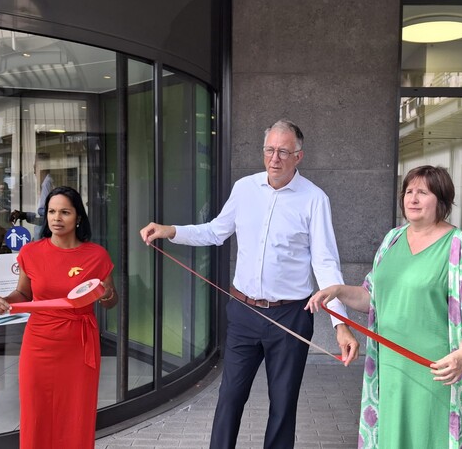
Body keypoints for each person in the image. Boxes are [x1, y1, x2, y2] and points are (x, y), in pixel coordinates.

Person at [140, 119, 360, 449]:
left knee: (283, 405)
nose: (275, 158)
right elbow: (216, 232)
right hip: (243, 312)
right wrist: (171, 230)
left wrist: (341, 326)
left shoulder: (315, 199)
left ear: (298, 156)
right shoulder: (244, 189)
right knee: (229, 397)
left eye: (283, 152)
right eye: (269, 150)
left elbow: (327, 266)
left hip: (290, 317)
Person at [306, 165, 462, 449]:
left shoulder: (459, 246)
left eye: (423, 192)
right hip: (389, 366)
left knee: (428, 439)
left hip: (436, 370)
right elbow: (373, 298)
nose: (413, 198)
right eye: (409, 191)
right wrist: (337, 291)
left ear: (442, 201)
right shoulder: (392, 240)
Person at [0, 186, 118, 449]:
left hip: (79, 346)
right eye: (52, 211)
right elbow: (23, 293)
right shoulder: (31, 253)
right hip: (39, 344)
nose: (56, 218)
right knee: (37, 414)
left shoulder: (97, 255)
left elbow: (111, 302)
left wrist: (107, 295)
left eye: (65, 212)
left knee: (75, 414)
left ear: (78, 217)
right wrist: (5, 302)